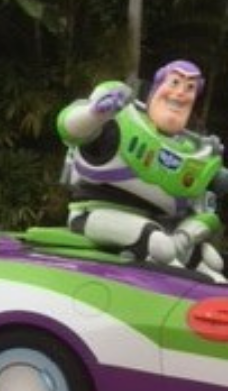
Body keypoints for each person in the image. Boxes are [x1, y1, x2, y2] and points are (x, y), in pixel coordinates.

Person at [58, 60, 228, 278]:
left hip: (159, 226)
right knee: (160, 246)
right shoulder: (120, 120)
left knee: (211, 260)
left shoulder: (196, 152)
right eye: (175, 82)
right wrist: (95, 113)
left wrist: (186, 236)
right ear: (157, 87)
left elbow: (210, 200)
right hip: (94, 214)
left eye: (189, 88)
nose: (180, 93)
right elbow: (69, 130)